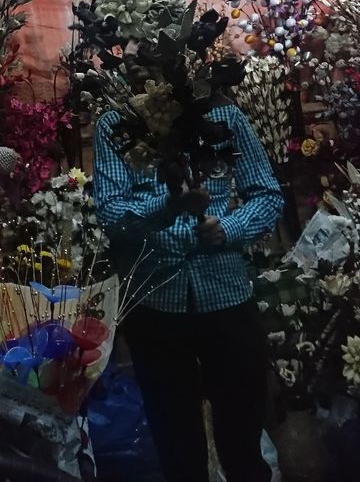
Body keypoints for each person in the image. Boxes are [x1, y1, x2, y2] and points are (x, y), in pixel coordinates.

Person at [93, 96, 284, 482]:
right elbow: (112, 212)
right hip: (157, 304)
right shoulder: (115, 125)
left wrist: (229, 228)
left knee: (244, 437)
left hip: (227, 296)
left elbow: (266, 194)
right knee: (177, 445)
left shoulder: (223, 116)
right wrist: (168, 208)